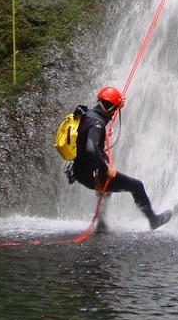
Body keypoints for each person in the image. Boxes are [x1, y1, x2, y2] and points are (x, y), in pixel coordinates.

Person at [72, 86, 172, 230]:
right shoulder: (97, 125)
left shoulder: (87, 114)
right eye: (114, 110)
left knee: (108, 186)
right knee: (136, 186)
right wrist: (106, 169)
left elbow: (100, 120)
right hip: (90, 173)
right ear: (110, 108)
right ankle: (153, 220)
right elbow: (91, 148)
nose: (114, 115)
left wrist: (116, 103)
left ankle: (101, 223)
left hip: (79, 170)